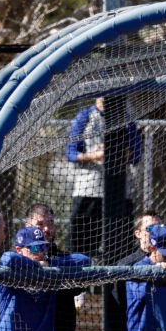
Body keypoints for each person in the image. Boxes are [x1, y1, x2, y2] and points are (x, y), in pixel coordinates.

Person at [64, 97, 137, 256]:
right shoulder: (85, 116)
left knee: (120, 246)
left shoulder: (127, 119)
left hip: (118, 189)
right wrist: (94, 156)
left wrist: (116, 151)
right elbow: (71, 153)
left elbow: (135, 154)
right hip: (88, 189)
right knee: (80, 245)